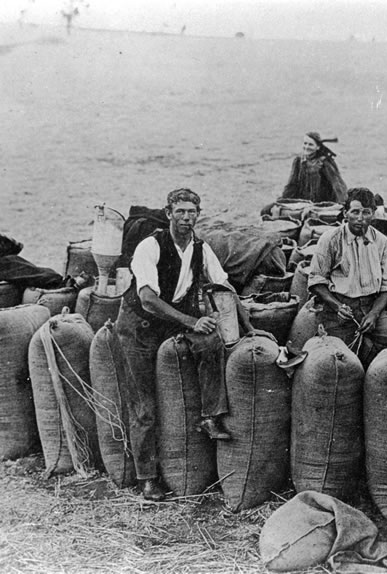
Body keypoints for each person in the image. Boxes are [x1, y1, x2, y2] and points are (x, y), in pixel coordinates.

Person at [114, 188, 252, 501]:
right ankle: (147, 478)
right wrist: (191, 321)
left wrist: (248, 324)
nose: (186, 218)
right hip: (139, 327)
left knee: (210, 341)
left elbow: (223, 284)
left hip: (170, 319)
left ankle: (209, 415)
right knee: (144, 406)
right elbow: (148, 299)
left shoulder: (201, 248)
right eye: (180, 212)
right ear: (168, 214)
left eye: (192, 212)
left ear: (198, 215)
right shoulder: (150, 246)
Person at [308, 187, 387, 368]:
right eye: (355, 212)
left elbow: (386, 287)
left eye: (366, 212)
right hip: (340, 309)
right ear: (345, 213)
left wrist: (374, 314)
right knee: (340, 361)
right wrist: (337, 306)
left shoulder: (382, 242)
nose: (360, 218)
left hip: (372, 306)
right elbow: (316, 281)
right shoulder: (330, 239)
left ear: (374, 214)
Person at [260, 132, 348, 218]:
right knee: (268, 210)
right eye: (305, 143)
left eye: (310, 144)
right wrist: (283, 201)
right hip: (302, 202)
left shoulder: (325, 162)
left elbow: (338, 185)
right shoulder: (298, 161)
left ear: (317, 147)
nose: (306, 147)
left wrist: (342, 204)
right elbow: (292, 185)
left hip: (321, 205)